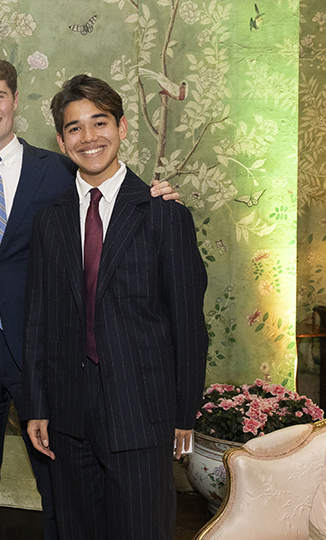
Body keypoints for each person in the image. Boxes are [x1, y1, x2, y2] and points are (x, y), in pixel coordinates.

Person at [0, 55, 180, 540]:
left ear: (15, 100)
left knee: (59, 483)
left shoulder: (61, 169)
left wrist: (155, 195)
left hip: (45, 353)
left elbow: (107, 193)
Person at [22, 74, 208, 540]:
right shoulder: (51, 221)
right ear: (63, 142)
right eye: (75, 128)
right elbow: (39, 321)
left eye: (99, 123)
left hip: (140, 412)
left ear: (122, 128)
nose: (89, 137)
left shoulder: (164, 213)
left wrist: (185, 414)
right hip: (68, 416)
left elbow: (188, 322)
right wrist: (38, 406)